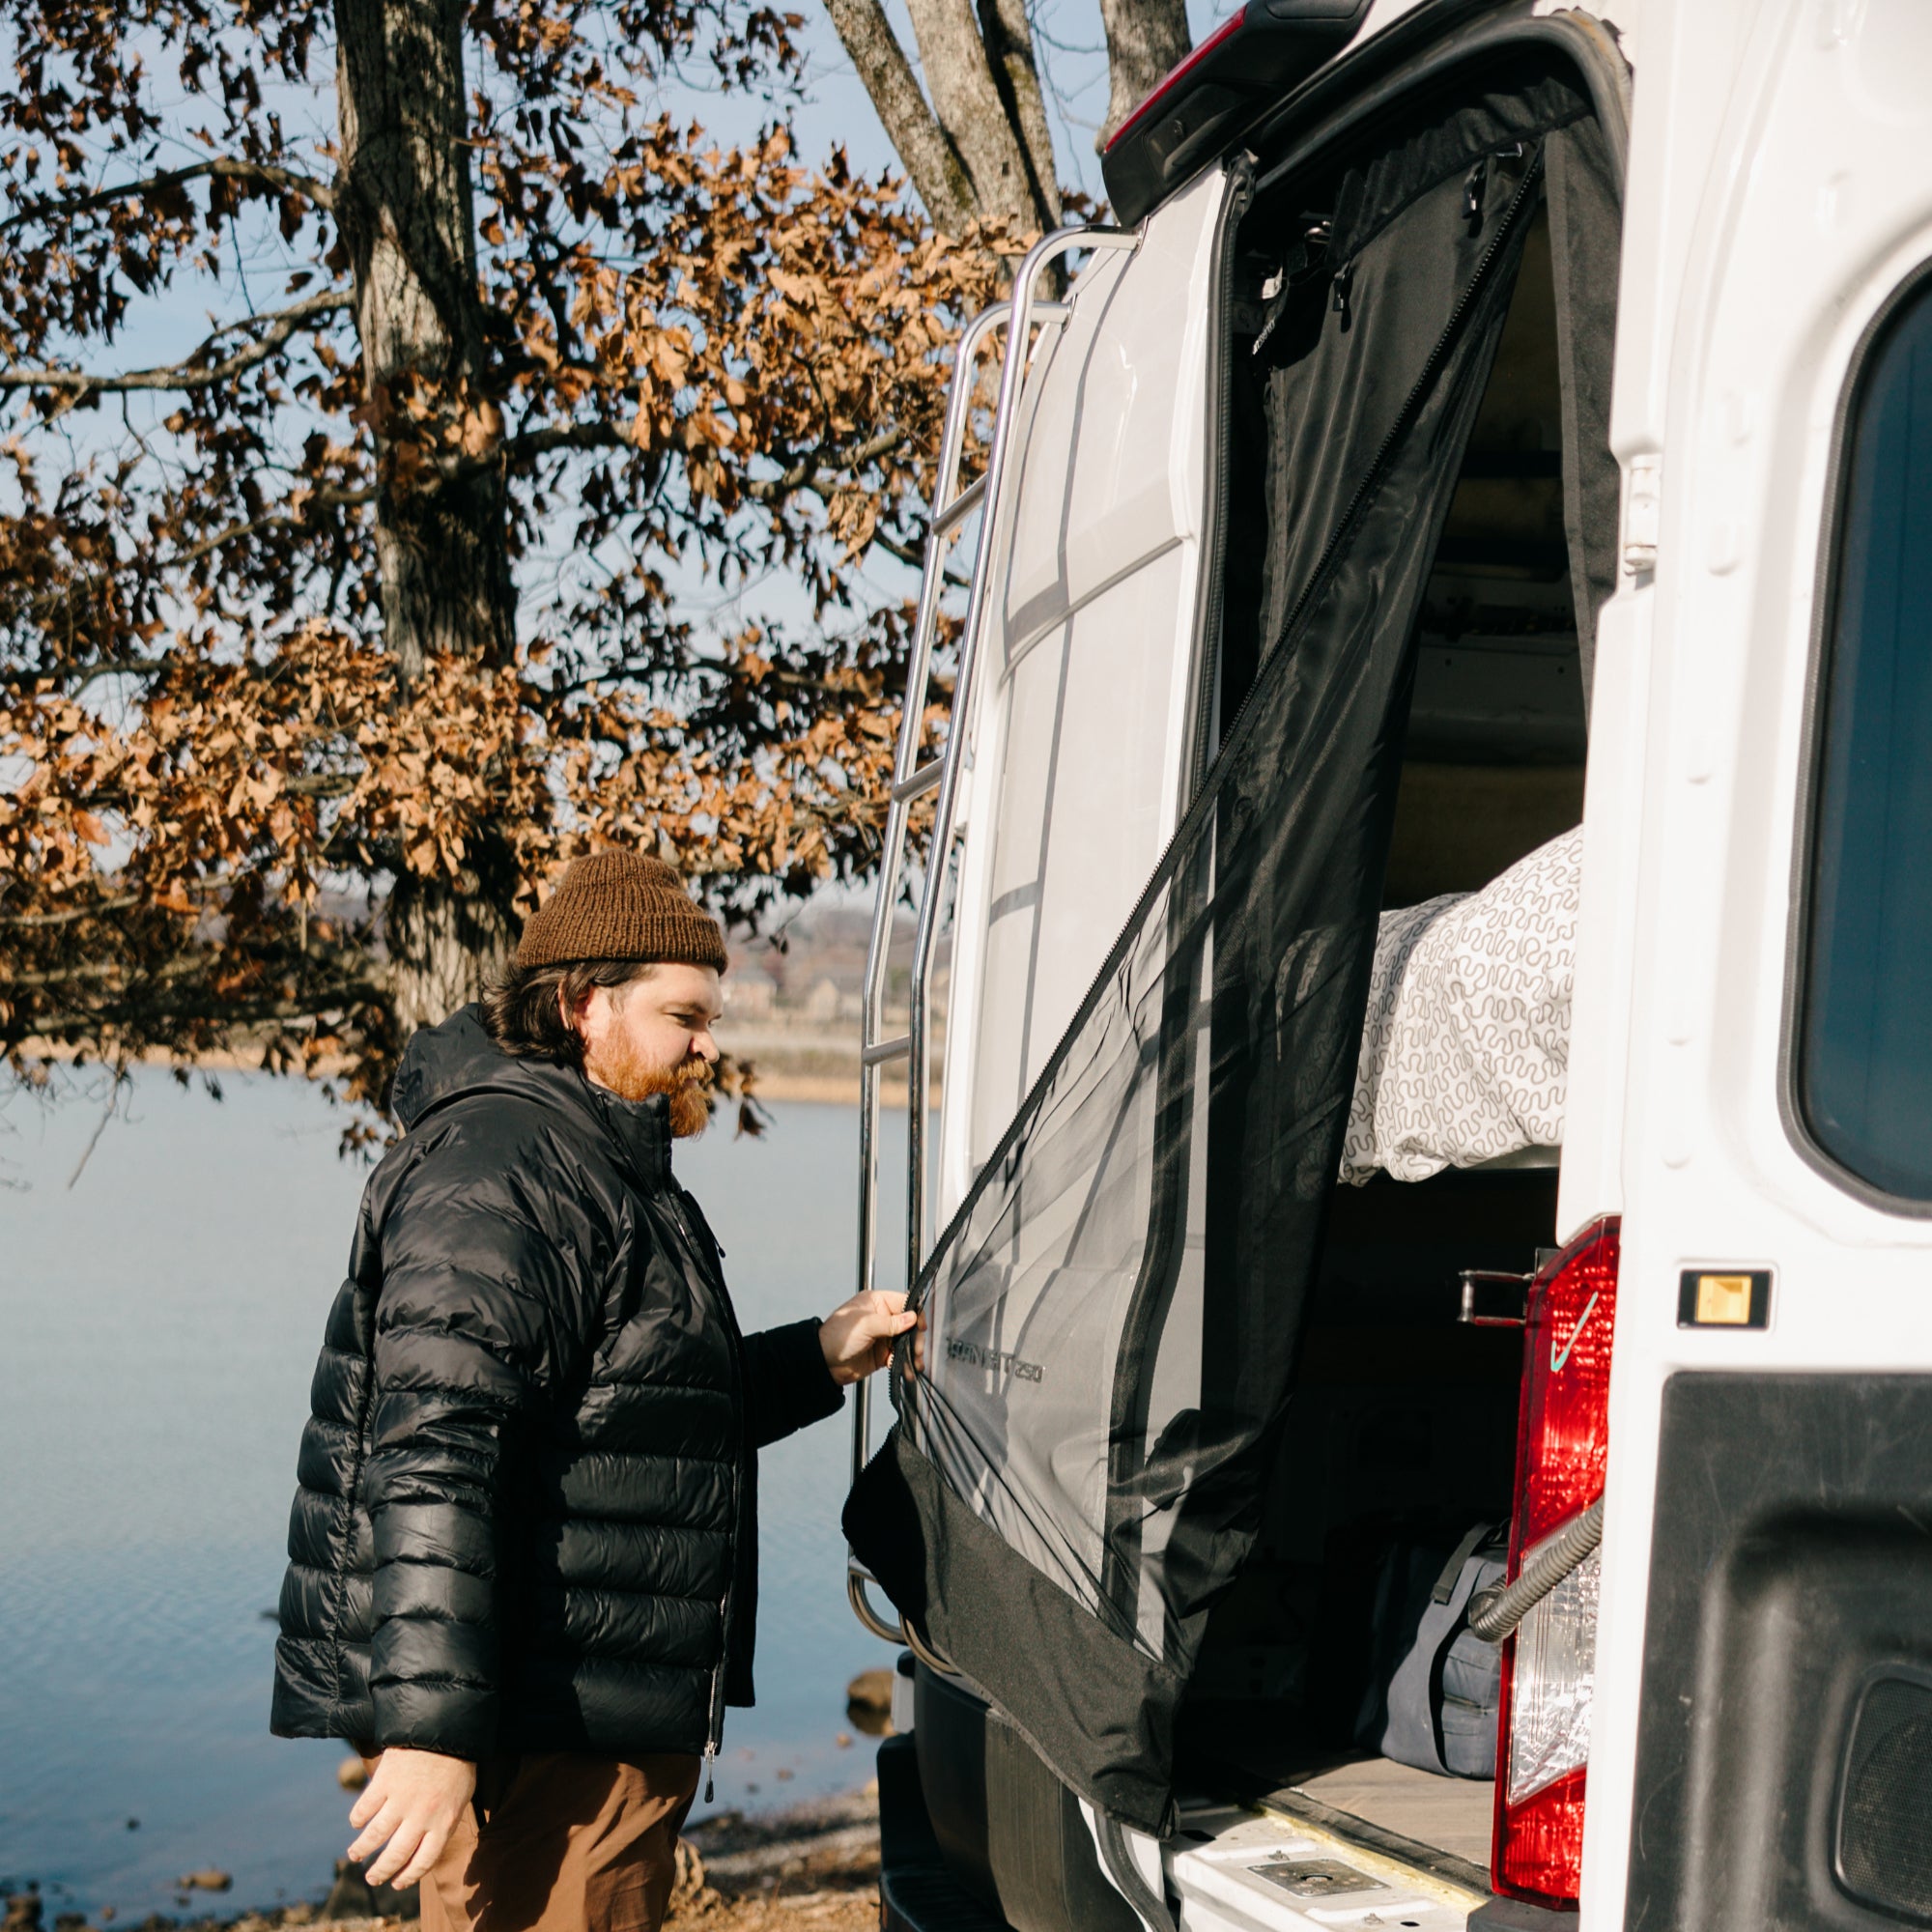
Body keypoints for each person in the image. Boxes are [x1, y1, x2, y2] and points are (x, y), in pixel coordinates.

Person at [270, 849, 914, 1931]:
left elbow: (645, 1420)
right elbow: (435, 1449)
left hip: (593, 1711)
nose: (709, 1041)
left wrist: (817, 1354)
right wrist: (430, 1733)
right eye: (682, 1013)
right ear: (583, 1002)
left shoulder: (600, 1166)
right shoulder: (503, 1165)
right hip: (545, 1721)